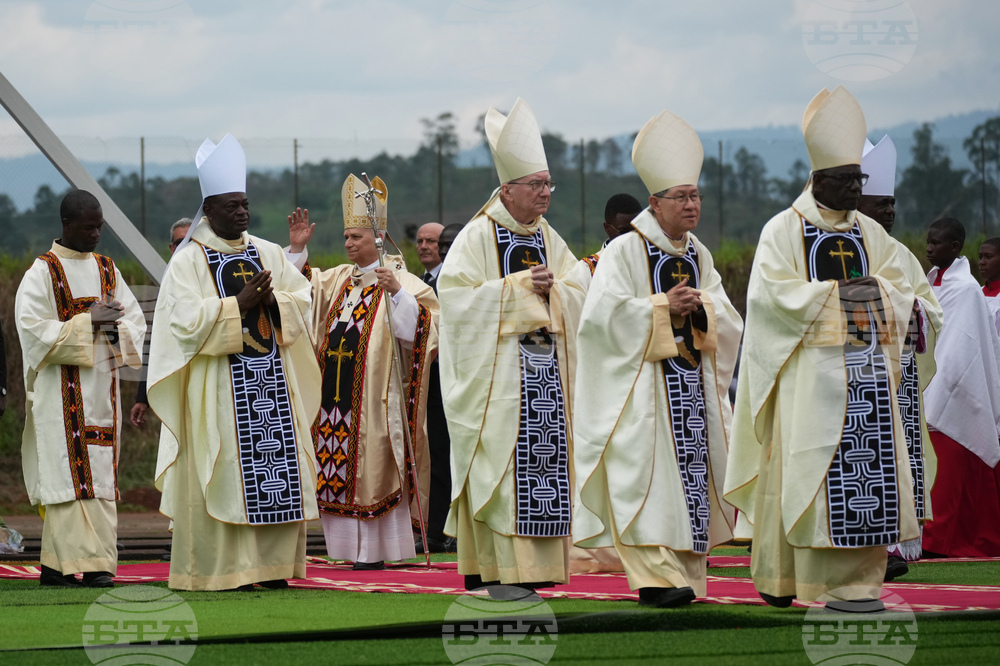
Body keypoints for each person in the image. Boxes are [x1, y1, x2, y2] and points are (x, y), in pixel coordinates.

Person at [725, 86, 917, 611]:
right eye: (846, 180)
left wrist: (873, 294)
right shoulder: (782, 231)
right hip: (808, 385)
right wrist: (842, 295)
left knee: (869, 480)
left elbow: (901, 290)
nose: (857, 188)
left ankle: (860, 587)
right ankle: (795, 580)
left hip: (868, 383)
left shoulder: (872, 235)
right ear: (817, 179)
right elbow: (770, 300)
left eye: (859, 179)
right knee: (804, 481)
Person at [573, 110, 743, 607]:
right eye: (682, 197)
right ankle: (654, 579)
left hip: (689, 390)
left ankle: (687, 578)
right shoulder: (626, 251)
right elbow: (600, 321)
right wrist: (660, 307)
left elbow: (728, 317)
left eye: (696, 196)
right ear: (655, 202)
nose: (691, 205)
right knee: (641, 481)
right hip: (641, 393)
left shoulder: (699, 255)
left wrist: (702, 307)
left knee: (689, 482)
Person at [148, 134, 321, 591]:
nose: (242, 212)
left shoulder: (266, 252)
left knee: (276, 470)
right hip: (221, 392)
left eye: (245, 204)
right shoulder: (188, 263)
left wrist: (272, 305)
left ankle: (274, 568)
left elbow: (302, 300)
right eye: (231, 205)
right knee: (226, 474)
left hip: (272, 391)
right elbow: (181, 324)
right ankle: (232, 570)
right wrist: (236, 304)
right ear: (209, 209)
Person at [438, 98, 586, 594]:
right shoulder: (478, 236)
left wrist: (558, 290)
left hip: (545, 379)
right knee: (497, 473)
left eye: (548, 184)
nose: (545, 193)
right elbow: (455, 302)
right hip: (496, 386)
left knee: (540, 469)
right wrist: (522, 289)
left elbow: (580, 288)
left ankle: (537, 570)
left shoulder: (548, 236)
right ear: (507, 189)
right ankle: (493, 568)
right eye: (535, 185)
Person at [286, 175, 438, 568]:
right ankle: (344, 551)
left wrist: (397, 295)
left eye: (356, 236)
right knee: (336, 469)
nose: (349, 243)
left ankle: (376, 552)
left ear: (379, 236)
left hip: (375, 405)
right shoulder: (337, 279)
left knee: (373, 471)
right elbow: (297, 296)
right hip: (335, 405)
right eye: (346, 237)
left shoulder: (405, 283)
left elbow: (424, 334)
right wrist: (298, 251)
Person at [15, 189, 146, 587]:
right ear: (67, 225)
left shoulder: (108, 270)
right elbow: (34, 334)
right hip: (59, 396)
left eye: (99, 227)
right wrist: (89, 320)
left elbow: (135, 326)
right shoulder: (43, 272)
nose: (95, 235)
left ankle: (71, 566)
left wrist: (109, 324)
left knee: (100, 480)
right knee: (65, 482)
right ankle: (77, 566)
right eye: (88, 227)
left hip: (102, 395)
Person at [857, 136, 944, 576]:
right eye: (880, 204)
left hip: (900, 377)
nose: (890, 212)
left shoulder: (901, 254)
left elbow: (932, 309)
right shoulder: (846, 249)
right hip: (857, 375)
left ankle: (897, 543)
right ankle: (865, 546)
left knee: (897, 453)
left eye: (892, 204)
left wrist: (915, 312)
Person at [921, 218, 1000, 557]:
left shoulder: (966, 289)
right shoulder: (929, 284)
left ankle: (939, 542)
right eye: (928, 242)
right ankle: (930, 537)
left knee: (949, 474)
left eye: (936, 243)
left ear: (954, 247)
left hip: (954, 388)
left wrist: (938, 387)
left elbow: (963, 344)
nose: (928, 249)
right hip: (927, 384)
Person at [414, 221, 455, 553]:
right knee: (431, 453)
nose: (429, 247)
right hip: (427, 380)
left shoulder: (456, 281)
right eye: (422, 241)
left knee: (446, 454)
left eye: (436, 242)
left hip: (452, 378)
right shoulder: (418, 283)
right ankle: (434, 526)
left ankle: (444, 529)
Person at [129, 218, 192, 427]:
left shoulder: (216, 278)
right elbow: (155, 342)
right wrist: (142, 397)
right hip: (176, 385)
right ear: (171, 248)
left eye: (191, 241)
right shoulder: (168, 285)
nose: (185, 247)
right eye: (180, 242)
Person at [568, 193, 643, 292]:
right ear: (607, 228)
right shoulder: (587, 270)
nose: (631, 237)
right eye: (624, 231)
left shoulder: (651, 262)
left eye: (637, 231)